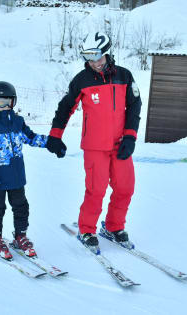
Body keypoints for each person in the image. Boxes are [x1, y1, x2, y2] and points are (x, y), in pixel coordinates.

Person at [46, 31, 142, 253]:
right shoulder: (82, 80)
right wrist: (55, 134)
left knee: (125, 188)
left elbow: (134, 107)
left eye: (98, 57)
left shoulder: (125, 76)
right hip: (94, 146)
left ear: (108, 54)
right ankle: (87, 230)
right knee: (96, 190)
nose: (95, 63)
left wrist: (130, 135)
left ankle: (113, 227)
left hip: (121, 144)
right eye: (90, 59)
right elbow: (65, 107)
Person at [0, 81, 48, 260]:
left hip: (16, 177)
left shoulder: (18, 121)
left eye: (9, 102)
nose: (6, 106)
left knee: (21, 206)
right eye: (1, 102)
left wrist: (51, 142)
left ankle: (20, 236)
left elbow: (30, 138)